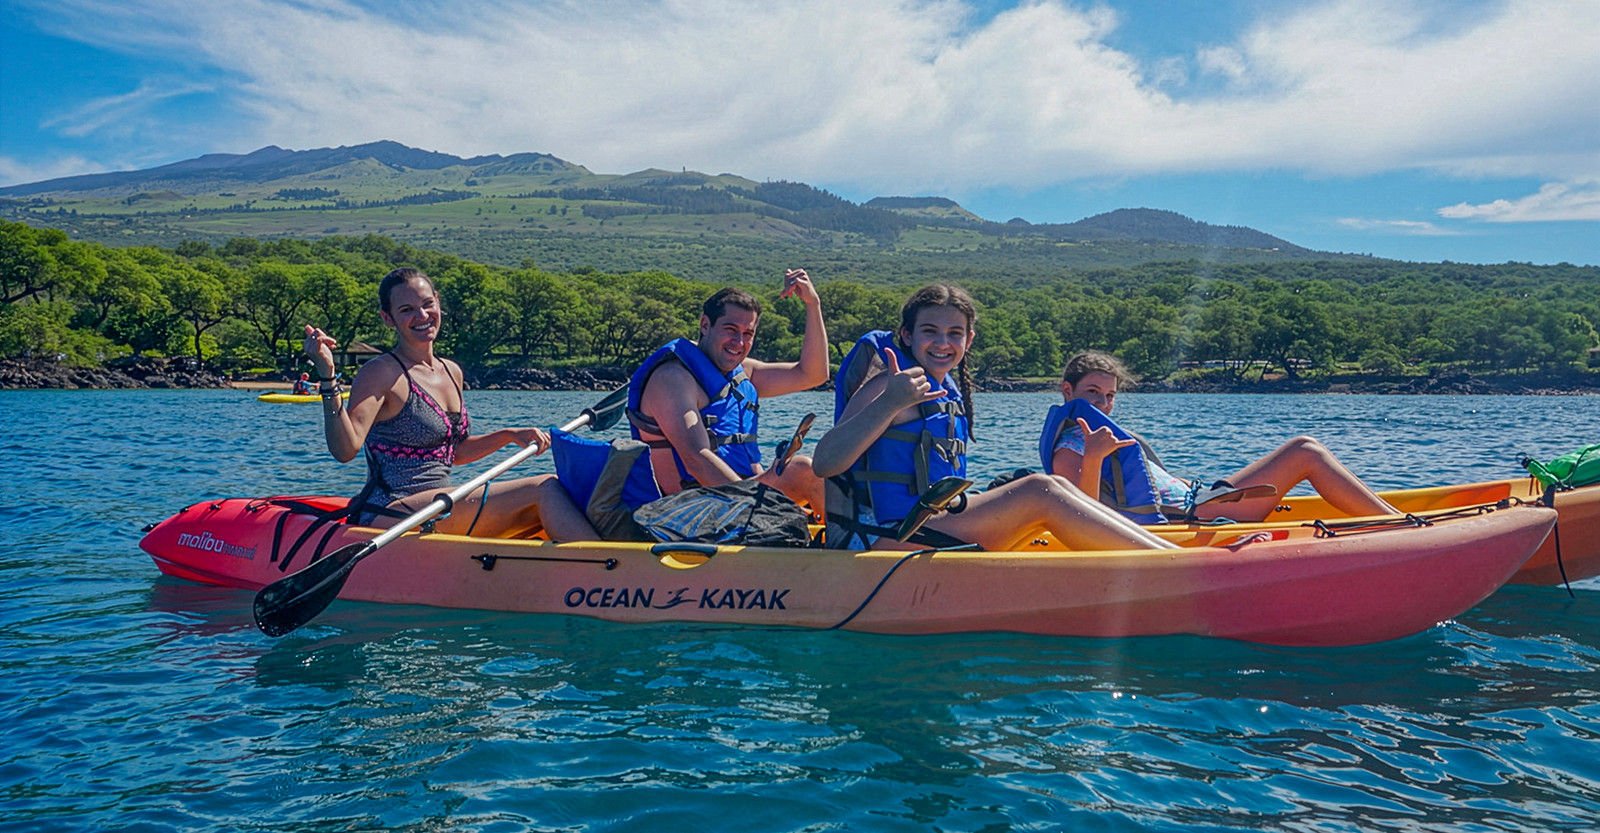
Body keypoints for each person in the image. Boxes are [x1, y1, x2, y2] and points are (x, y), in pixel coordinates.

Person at [812, 284, 1175, 552]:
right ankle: (1175, 568)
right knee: (1041, 489)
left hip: (929, 523)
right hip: (884, 535)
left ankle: (1169, 555)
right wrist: (889, 402)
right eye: (930, 331)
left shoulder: (944, 390)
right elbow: (825, 463)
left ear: (969, 340)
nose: (943, 343)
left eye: (955, 333)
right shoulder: (888, 386)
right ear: (906, 335)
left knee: (1058, 488)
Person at [301, 267, 597, 540]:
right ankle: (613, 573)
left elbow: (454, 452)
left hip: (439, 503)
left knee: (570, 489)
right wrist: (328, 377)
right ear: (388, 318)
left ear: (438, 302)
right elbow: (345, 449)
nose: (422, 315)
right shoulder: (381, 372)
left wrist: (508, 435)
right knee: (545, 489)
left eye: (427, 304)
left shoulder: (451, 371)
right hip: (391, 511)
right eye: (407, 310)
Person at [1047, 350, 1398, 522]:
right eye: (1092, 392)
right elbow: (1082, 518)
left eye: (1109, 395)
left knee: (1306, 448)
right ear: (1068, 391)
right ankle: (1398, 526)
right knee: (1305, 452)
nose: (1103, 403)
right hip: (1192, 518)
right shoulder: (1070, 448)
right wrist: (1093, 456)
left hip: (1202, 498)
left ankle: (1394, 519)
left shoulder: (1110, 436)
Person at [627, 271, 829, 511]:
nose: (739, 342)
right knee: (802, 471)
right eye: (730, 329)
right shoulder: (672, 380)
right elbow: (697, 460)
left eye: (748, 334)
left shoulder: (743, 374)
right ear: (705, 325)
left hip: (740, 497)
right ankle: (850, 544)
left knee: (830, 470)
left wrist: (812, 304)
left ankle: (844, 539)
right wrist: (761, 512)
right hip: (692, 510)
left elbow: (813, 374)